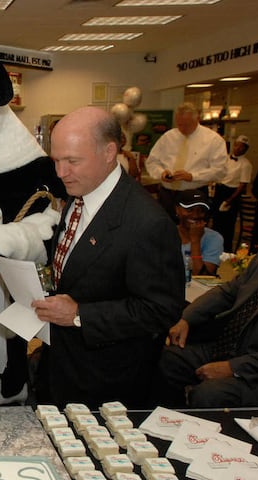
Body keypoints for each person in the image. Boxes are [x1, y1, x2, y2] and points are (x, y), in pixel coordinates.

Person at [30, 107, 184, 409]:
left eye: (72, 161)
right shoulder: (79, 194)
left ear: (109, 151)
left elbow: (161, 309)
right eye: (56, 161)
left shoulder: (146, 222)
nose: (61, 173)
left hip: (107, 384)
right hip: (61, 366)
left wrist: (79, 315)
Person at [153, 251, 258, 408]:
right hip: (230, 346)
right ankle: (165, 424)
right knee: (171, 358)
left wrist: (233, 368)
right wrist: (186, 318)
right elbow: (228, 291)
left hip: (256, 371)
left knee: (210, 394)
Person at [145, 102, 227, 222]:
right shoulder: (168, 137)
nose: (182, 129)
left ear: (197, 119)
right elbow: (152, 162)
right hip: (167, 193)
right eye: (179, 124)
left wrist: (193, 176)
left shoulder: (213, 140)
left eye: (187, 125)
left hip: (194, 193)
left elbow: (220, 170)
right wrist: (161, 173)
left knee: (190, 231)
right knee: (163, 229)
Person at [213, 135, 253, 252]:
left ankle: (226, 250)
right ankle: (214, 247)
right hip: (220, 190)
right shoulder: (225, 158)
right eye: (236, 145)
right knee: (216, 221)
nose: (238, 149)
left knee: (228, 225)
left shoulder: (246, 164)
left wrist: (230, 200)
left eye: (242, 147)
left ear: (245, 149)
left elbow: (242, 185)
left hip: (231, 193)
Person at [175, 189, 223, 276]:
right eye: (189, 210)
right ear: (177, 210)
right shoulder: (166, 233)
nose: (195, 215)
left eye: (201, 211)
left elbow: (202, 276)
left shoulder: (214, 238)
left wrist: (195, 241)